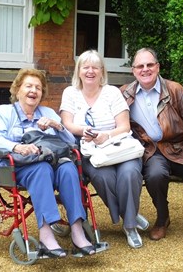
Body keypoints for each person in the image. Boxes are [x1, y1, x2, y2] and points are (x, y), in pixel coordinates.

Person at [0, 68, 96, 258]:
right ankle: (46, 234)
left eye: (38, 88)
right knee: (41, 169)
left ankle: (77, 230)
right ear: (18, 90)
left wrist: (56, 125)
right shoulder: (4, 112)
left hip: (50, 162)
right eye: (28, 86)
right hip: (15, 167)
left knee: (69, 168)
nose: (33, 91)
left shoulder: (48, 113)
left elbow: (70, 141)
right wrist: (17, 147)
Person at [120, 48, 183, 249]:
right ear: (133, 70)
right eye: (140, 66)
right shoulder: (123, 94)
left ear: (158, 67)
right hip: (152, 151)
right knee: (155, 175)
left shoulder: (175, 90)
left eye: (150, 65)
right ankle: (162, 218)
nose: (145, 69)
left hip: (181, 148)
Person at [60, 49, 149, 249]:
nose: (90, 71)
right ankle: (131, 216)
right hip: (91, 150)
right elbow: (67, 123)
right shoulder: (70, 93)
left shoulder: (112, 92)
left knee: (129, 174)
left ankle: (130, 227)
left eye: (95, 67)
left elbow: (124, 126)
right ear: (79, 71)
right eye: (86, 67)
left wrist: (105, 135)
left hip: (119, 146)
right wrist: (87, 132)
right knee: (104, 178)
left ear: (102, 71)